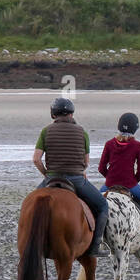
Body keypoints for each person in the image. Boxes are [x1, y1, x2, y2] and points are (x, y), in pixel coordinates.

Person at [32, 96, 108, 257]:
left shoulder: (46, 131)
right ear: (71, 115)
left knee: (30, 206)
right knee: (102, 206)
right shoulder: (82, 132)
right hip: (76, 179)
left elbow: (36, 159)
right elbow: (86, 162)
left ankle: (29, 243)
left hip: (52, 178)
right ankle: (95, 246)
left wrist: (46, 174)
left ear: (53, 115)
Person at [98, 111, 140, 250]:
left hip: (109, 185)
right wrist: (132, 181)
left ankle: (96, 237)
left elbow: (101, 167)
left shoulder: (109, 144)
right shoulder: (138, 146)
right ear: (135, 128)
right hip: (130, 185)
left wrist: (111, 178)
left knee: (93, 204)